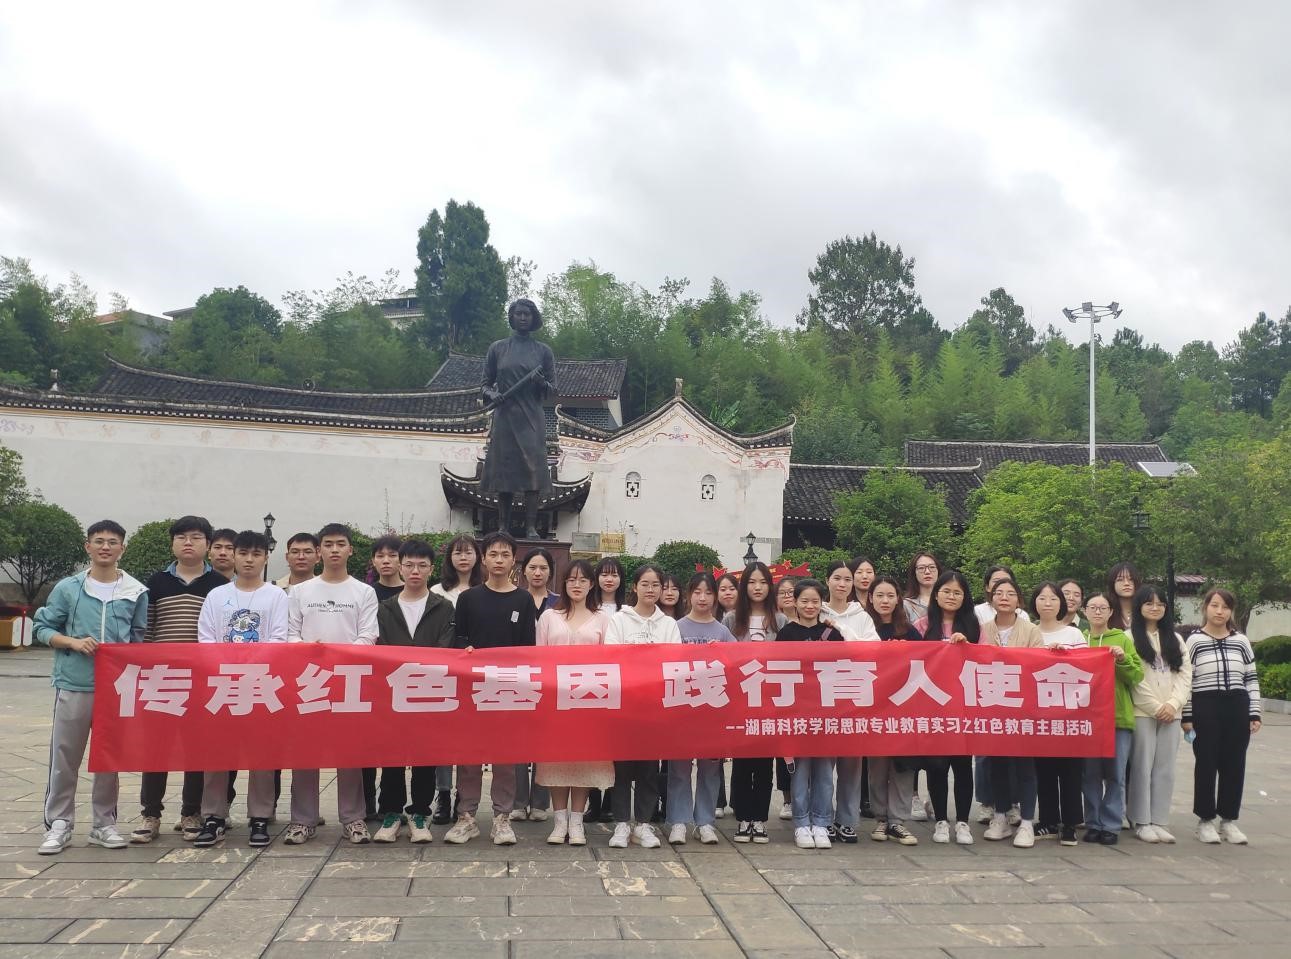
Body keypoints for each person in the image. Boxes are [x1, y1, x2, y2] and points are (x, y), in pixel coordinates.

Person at [35, 520, 148, 855]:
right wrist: (71, 641)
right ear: (88, 546)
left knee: (108, 758)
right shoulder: (69, 588)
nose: (105, 547)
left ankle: (104, 823)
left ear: (122, 548)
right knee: (65, 755)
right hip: (74, 684)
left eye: (112, 542)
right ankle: (59, 823)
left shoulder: (135, 591)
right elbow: (42, 627)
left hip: (115, 690)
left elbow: (138, 638)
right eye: (99, 541)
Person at [131, 515, 226, 844]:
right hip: (162, 678)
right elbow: (147, 630)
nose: (188, 542)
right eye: (182, 537)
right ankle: (150, 814)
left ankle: (191, 813)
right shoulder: (156, 583)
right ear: (172, 543)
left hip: (202, 679)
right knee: (156, 748)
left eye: (196, 537)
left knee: (195, 749)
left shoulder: (219, 586)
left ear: (208, 545)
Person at [284, 523, 380, 846]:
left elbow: (368, 635)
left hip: (349, 681)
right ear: (319, 551)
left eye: (341, 544)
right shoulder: (300, 592)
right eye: (328, 544)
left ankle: (353, 818)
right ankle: (302, 820)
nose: (334, 549)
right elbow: (290, 634)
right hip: (308, 681)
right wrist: (307, 649)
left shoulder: (363, 592)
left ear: (351, 550)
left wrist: (340, 655)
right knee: (304, 753)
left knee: (349, 753)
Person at [192, 530, 289, 848]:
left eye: (256, 554)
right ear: (233, 556)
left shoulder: (276, 596)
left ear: (265, 558)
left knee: (262, 753)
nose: (249, 560)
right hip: (223, 683)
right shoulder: (217, 596)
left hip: (261, 684)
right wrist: (228, 668)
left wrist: (250, 666)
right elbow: (206, 639)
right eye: (243, 553)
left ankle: (260, 816)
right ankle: (213, 816)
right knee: (216, 752)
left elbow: (278, 639)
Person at [446, 531, 538, 845]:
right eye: (493, 554)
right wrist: (466, 650)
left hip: (509, 689)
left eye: (505, 555)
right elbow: (459, 639)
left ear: (514, 561)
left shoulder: (523, 600)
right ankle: (466, 817)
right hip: (473, 688)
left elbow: (527, 648)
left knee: (505, 758)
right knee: (468, 757)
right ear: (483, 559)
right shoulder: (468, 598)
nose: (499, 560)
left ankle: (502, 818)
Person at [372, 539, 455, 845]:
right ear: (400, 567)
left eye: (422, 565)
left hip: (429, 691)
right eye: (409, 565)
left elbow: (446, 646)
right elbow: (379, 647)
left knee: (425, 756)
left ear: (432, 569)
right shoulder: (385, 608)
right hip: (393, 691)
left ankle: (420, 812)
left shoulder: (443, 607)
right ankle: (392, 812)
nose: (415, 571)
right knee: (391, 755)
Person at [535, 560, 614, 846]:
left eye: (582, 580)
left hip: (590, 701)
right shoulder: (549, 617)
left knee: (584, 760)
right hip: (555, 701)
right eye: (571, 580)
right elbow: (538, 658)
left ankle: (577, 821)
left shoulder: (603, 618)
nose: (577, 585)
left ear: (591, 584)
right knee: (556, 760)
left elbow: (610, 660)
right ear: (564, 584)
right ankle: (559, 821)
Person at [604, 564, 681, 848]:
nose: (651, 589)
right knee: (622, 769)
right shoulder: (619, 620)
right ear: (634, 587)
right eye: (645, 584)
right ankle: (622, 824)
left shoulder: (668, 624)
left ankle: (644, 824)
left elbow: (673, 662)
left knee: (649, 769)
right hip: (624, 705)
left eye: (656, 585)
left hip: (655, 706)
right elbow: (612, 656)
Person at [1182, 588, 1261, 845]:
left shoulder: (1241, 641)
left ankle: (1228, 821)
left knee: (1234, 764)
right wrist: (1187, 716)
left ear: (1231, 611)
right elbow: (1187, 681)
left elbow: (1251, 678)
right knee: (1206, 762)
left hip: (1237, 706)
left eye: (1225, 607)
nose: (1219, 611)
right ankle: (1205, 820)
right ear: (1205, 607)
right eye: (1214, 605)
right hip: (1206, 706)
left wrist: (1254, 711)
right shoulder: (1194, 641)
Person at [916, 571, 984, 847]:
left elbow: (988, 661)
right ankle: (941, 820)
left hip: (964, 707)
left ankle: (963, 822)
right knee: (937, 765)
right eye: (946, 591)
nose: (952, 596)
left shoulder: (975, 626)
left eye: (957, 592)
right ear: (936, 595)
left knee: (963, 765)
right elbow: (910, 660)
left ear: (965, 597)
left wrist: (968, 647)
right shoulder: (922, 625)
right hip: (933, 707)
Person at [667, 573, 737, 845]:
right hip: (682, 709)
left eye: (708, 592)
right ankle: (679, 821)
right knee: (679, 769)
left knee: (710, 769)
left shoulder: (722, 632)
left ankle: (705, 822)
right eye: (697, 592)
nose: (703, 598)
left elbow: (737, 666)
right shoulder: (676, 628)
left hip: (712, 712)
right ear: (689, 595)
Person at [480, 298, 556, 537]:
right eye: (519, 314)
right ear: (511, 317)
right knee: (505, 470)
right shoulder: (497, 348)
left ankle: (531, 527)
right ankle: (503, 526)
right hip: (505, 416)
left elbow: (553, 390)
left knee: (533, 469)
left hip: (531, 416)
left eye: (527, 314)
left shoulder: (543, 351)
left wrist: (540, 382)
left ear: (534, 318)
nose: (523, 318)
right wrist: (493, 394)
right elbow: (484, 384)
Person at [777, 578, 842, 849]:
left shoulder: (833, 633)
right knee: (800, 771)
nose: (810, 606)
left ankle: (822, 823)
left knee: (825, 771)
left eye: (815, 601)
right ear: (795, 602)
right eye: (804, 600)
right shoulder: (785, 634)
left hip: (826, 713)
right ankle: (802, 823)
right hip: (796, 713)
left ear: (822, 603)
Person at [724, 562, 786, 842]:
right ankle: (743, 818)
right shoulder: (731, 619)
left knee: (764, 764)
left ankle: (759, 819)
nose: (757, 587)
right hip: (740, 702)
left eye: (762, 582)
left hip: (770, 702)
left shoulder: (780, 620)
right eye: (752, 582)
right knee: (741, 764)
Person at [819, 560, 878, 842]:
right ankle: (823, 817)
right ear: (827, 581)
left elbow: (872, 649)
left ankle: (847, 819)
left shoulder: (862, 615)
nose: (842, 584)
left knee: (852, 763)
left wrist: (842, 631)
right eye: (837, 578)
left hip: (855, 692)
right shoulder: (817, 610)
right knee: (823, 761)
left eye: (846, 579)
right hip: (823, 693)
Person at [1128, 585, 1191, 844]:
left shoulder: (1175, 639)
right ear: (1139, 607)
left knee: (1165, 768)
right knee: (1142, 767)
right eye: (1149, 603)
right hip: (1142, 713)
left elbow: (1185, 675)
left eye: (1160, 604)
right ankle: (1141, 821)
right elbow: (1135, 679)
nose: (1155, 608)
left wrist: (1173, 704)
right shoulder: (1129, 637)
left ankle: (1159, 820)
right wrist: (1155, 707)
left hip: (1172, 714)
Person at [863, 575, 922, 845]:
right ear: (870, 598)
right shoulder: (864, 629)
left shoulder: (909, 631)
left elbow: (927, 660)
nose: (885, 601)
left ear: (898, 599)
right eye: (879, 595)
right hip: (873, 707)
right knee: (877, 766)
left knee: (902, 766)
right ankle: (880, 818)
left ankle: (898, 820)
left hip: (903, 708)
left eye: (890, 595)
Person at [1082, 590, 1144, 845]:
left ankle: (1111, 824)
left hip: (1117, 717)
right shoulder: (1079, 640)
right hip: (1086, 720)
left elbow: (1137, 675)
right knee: (1090, 775)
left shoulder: (1122, 639)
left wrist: (1122, 659)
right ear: (1084, 611)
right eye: (1092, 607)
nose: (1097, 612)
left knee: (1116, 775)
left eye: (1102, 608)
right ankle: (1092, 823)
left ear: (1111, 612)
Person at [429, 534, 480, 823]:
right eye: (458, 552)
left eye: (469, 552)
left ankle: (465, 795)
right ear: (449, 557)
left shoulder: (484, 589)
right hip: (444, 674)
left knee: (469, 740)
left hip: (475, 676)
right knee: (443, 740)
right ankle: (443, 794)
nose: (463, 557)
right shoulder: (437, 591)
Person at [1031, 582, 1087, 846]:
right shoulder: (1029, 632)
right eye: (1042, 598)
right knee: (1044, 769)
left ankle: (1071, 823)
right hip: (1038, 712)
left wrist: (1066, 656)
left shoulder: (1073, 634)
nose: (1048, 603)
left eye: (1053, 598)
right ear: (1034, 602)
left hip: (1070, 713)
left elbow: (1089, 666)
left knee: (1071, 770)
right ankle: (1048, 821)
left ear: (1061, 604)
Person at [512, 547, 558, 823]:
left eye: (543, 568)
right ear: (523, 571)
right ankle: (517, 802)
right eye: (532, 567)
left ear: (550, 572)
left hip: (551, 682)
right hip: (519, 678)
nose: (537, 573)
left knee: (544, 741)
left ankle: (540, 802)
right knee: (518, 742)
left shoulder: (560, 603)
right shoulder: (515, 598)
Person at [903, 552, 942, 623]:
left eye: (932, 567)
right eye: (921, 568)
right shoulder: (906, 605)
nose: (927, 572)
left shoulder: (947, 601)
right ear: (914, 573)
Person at [1106, 562, 1142, 631]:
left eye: (1131, 579)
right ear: (1112, 584)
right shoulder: (1106, 612)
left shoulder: (1146, 609)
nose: (1126, 583)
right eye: (1120, 580)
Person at [369, 535, 404, 601]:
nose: (386, 561)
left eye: (392, 555)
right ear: (373, 561)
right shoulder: (368, 593)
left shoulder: (412, 592)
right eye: (380, 556)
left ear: (402, 560)